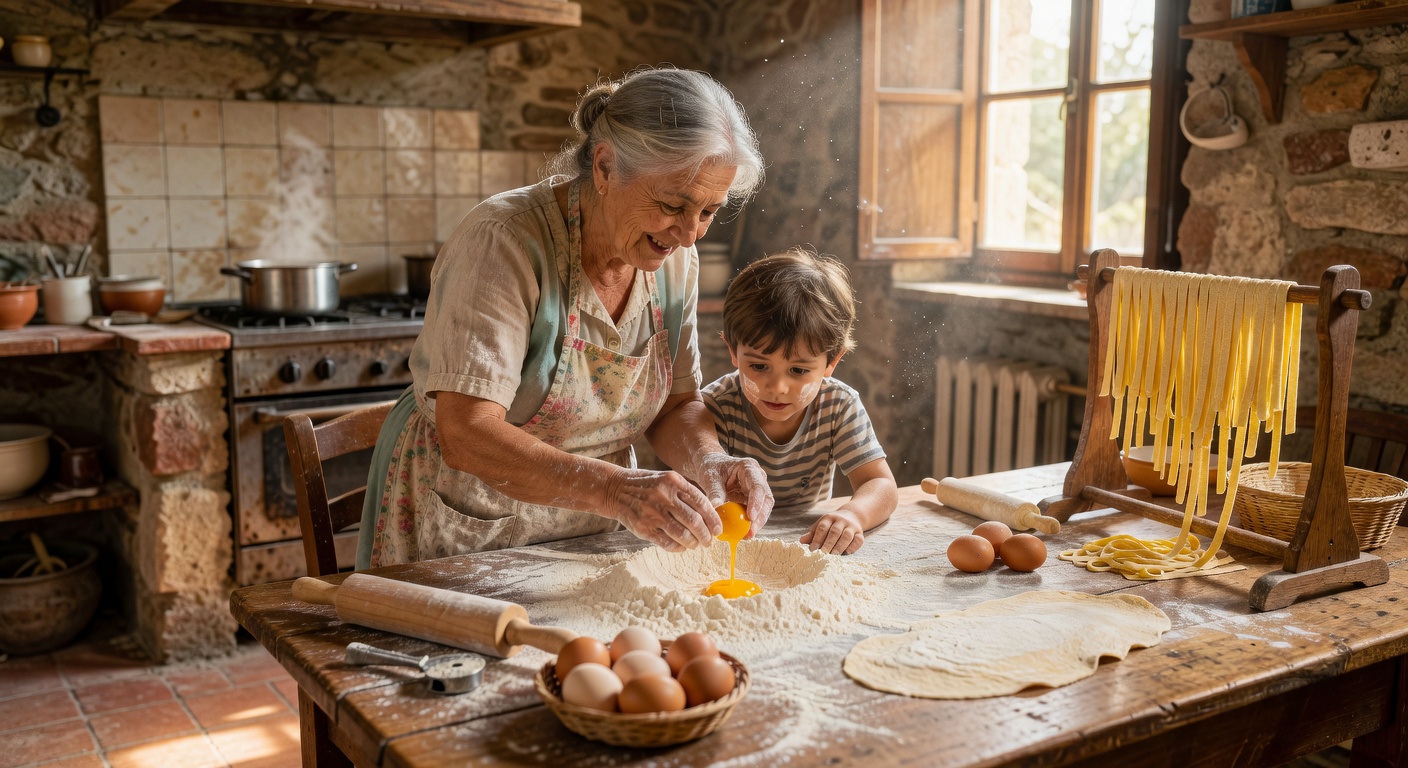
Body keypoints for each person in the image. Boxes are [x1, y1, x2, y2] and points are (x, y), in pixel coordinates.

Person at [357, 67, 774, 568]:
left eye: (708, 212)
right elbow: (466, 433)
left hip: (592, 530)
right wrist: (617, 492)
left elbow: (675, 405)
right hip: (473, 523)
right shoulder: (504, 241)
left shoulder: (674, 258)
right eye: (672, 204)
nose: (689, 234)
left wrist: (712, 461)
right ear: (604, 167)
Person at [703, 247, 898, 555]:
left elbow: (881, 486)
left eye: (798, 370)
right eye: (758, 366)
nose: (777, 387)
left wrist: (853, 514)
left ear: (832, 362)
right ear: (733, 350)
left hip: (807, 546)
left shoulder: (838, 406)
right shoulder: (716, 407)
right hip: (736, 549)